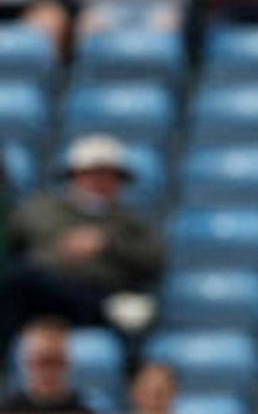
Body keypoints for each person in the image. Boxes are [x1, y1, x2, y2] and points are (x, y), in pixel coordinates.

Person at [2, 136, 164, 356]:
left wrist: (108, 244)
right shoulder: (40, 211)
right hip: (43, 295)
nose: (100, 182)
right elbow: (11, 241)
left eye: (109, 176)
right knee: (19, 281)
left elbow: (153, 261)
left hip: (96, 292)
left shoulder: (130, 223)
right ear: (74, 175)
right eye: (92, 174)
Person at [0, 317, 95, 414]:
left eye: (54, 362)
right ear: (25, 363)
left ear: (67, 363)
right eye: (40, 362)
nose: (46, 371)